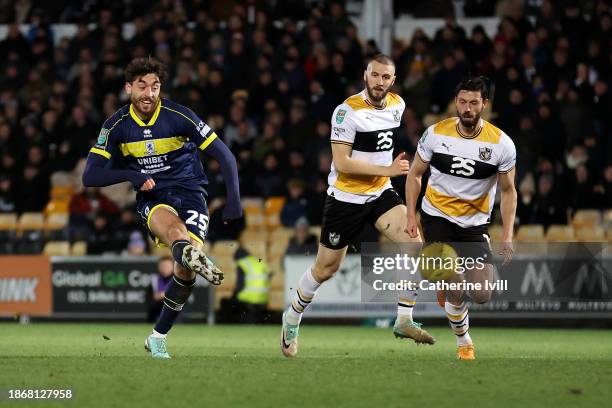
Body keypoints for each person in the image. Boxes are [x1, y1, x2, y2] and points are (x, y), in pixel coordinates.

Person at [82, 57, 242, 358]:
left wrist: (234, 202)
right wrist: (131, 174)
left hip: (192, 193)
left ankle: (157, 336)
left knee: (185, 270)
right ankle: (188, 251)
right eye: (142, 86)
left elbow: (226, 157)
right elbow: (90, 175)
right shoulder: (116, 125)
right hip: (154, 197)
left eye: (155, 87)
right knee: (176, 235)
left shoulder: (179, 116)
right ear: (129, 88)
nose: (149, 93)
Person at [280, 54, 434, 358]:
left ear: (393, 80)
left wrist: (386, 176)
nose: (380, 82)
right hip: (345, 199)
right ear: (366, 75)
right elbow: (341, 162)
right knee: (326, 269)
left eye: (386, 77)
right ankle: (292, 317)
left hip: (380, 194)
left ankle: (404, 319)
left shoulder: (397, 105)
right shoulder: (347, 112)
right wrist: (387, 170)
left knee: (415, 242)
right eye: (375, 76)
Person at [404, 77, 517, 360]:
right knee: (455, 288)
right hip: (437, 217)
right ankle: (463, 341)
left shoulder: (502, 144)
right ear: (456, 102)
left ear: (485, 105)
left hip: (475, 224)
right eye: (463, 102)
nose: (467, 108)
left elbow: (508, 190)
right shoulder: (435, 134)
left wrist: (507, 235)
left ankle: (444, 279)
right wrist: (410, 214)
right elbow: (415, 174)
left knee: (481, 294)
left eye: (474, 103)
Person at [232, 247, 271, 323]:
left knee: (228, 302)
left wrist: (234, 296)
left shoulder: (242, 263)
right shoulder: (259, 261)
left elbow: (240, 284)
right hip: (263, 297)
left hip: (248, 298)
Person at [147, 256, 174, 322]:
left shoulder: (178, 280)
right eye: (163, 266)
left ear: (173, 267)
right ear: (159, 267)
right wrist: (155, 297)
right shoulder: (154, 280)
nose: (165, 268)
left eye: (167, 266)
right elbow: (148, 298)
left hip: (174, 315)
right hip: (156, 313)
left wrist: (164, 294)